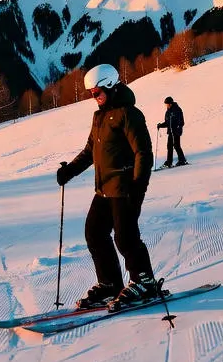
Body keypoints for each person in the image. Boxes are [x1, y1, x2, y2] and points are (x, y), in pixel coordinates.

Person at [56, 63, 160, 310]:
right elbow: (91, 151)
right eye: (91, 93)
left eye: (97, 92)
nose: (94, 98)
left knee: (125, 237)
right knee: (94, 233)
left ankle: (144, 281)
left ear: (111, 86)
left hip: (125, 188)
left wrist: (138, 188)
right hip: (103, 189)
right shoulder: (99, 116)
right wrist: (68, 171)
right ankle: (110, 284)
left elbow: (143, 153)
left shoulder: (129, 114)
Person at [156, 96, 187, 167]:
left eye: (167, 104)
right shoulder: (168, 112)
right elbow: (167, 123)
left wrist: (178, 127)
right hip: (170, 132)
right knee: (169, 146)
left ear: (171, 103)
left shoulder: (177, 110)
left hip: (176, 131)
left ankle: (182, 160)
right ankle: (169, 162)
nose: (166, 105)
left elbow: (181, 121)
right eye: (165, 104)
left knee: (176, 146)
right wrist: (160, 125)